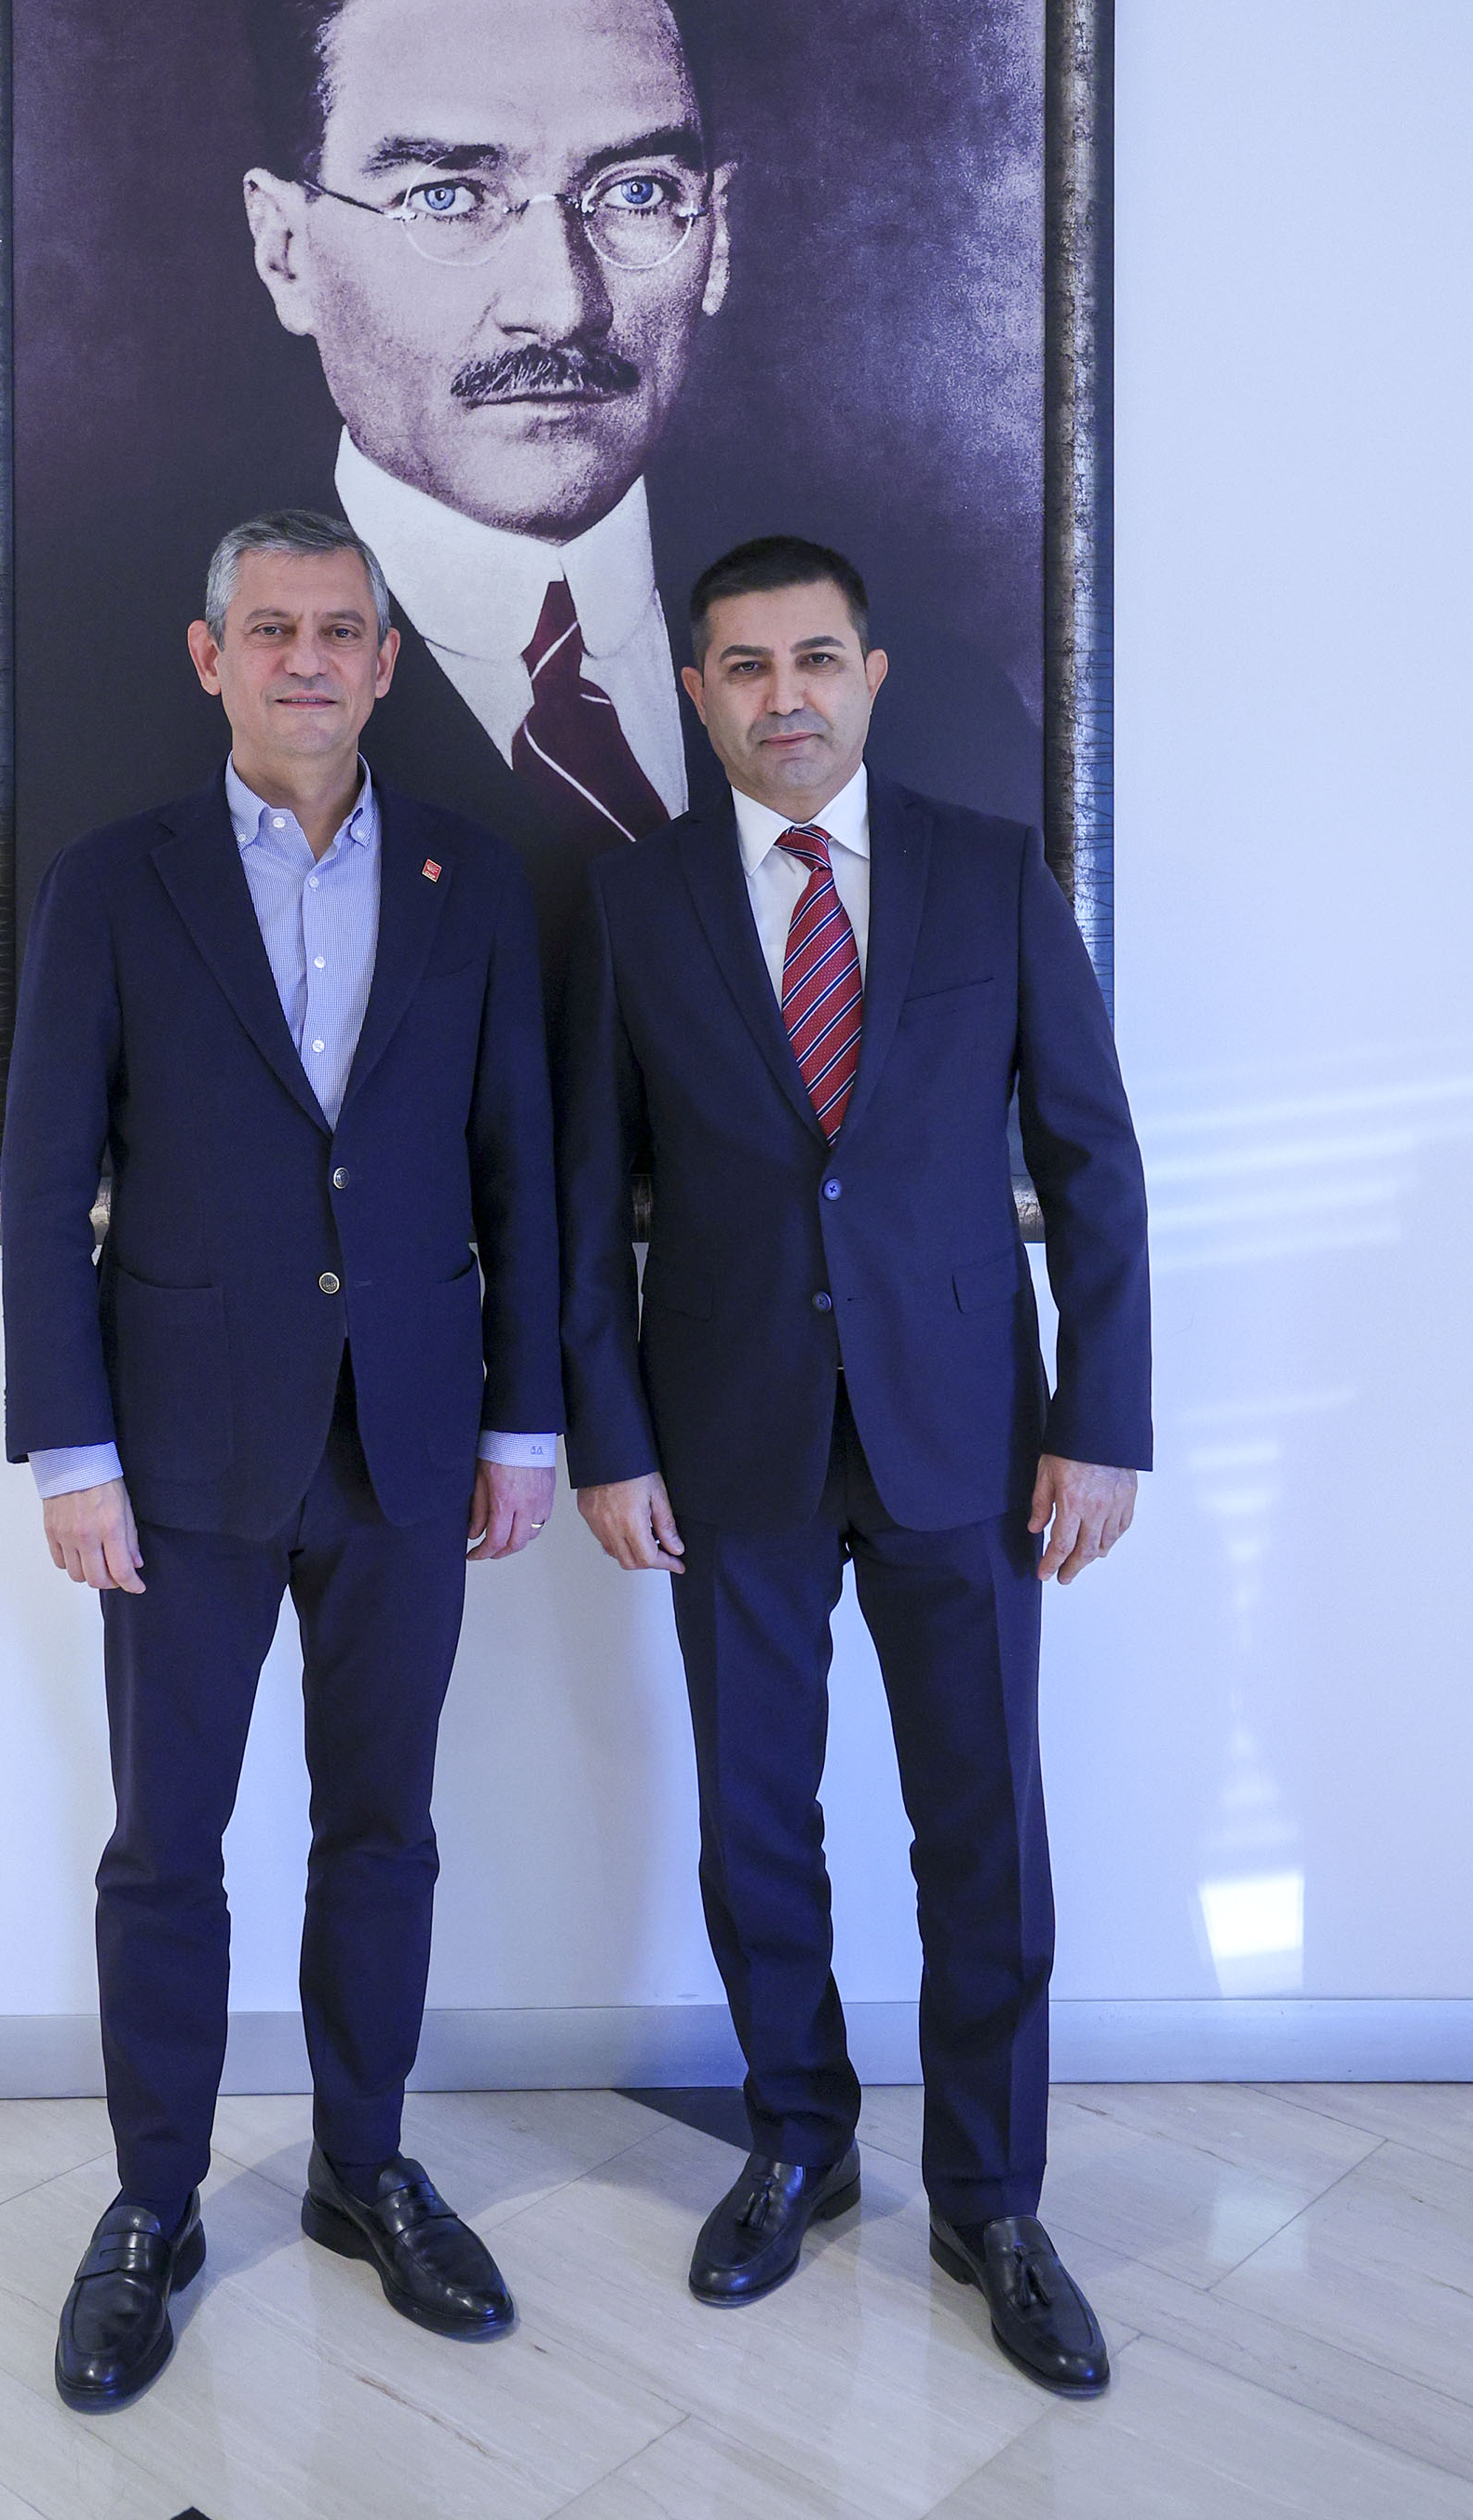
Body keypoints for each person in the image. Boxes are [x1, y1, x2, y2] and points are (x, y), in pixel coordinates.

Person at [556, 532, 1151, 2395]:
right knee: (756, 1817)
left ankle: (992, 2200)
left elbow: (1093, 1162)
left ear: (870, 676)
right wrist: (608, 1440)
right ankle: (797, 2142)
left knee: (982, 1827)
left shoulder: (987, 875)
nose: (784, 697)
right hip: (723, 1435)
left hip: (967, 1435)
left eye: (815, 659)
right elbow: (581, 1208)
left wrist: (1102, 1421)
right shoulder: (632, 903)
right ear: (696, 692)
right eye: (743, 668)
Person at [2, 509, 562, 2409]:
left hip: (410, 1444)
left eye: (339, 630)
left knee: (382, 1828)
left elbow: (522, 1171)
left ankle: (362, 2166)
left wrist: (524, 1421)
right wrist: (70, 1454)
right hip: (175, 1457)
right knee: (168, 1846)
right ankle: (154, 2205)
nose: (307, 658)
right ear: (211, 657)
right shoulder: (111, 883)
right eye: (271, 629)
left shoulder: (473, 880)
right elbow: (48, 1187)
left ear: (387, 664)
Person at [242, 0, 734, 983]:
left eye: (637, 192)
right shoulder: (94, 715)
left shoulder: (932, 698)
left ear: (717, 237)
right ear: (286, 250)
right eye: (446, 197)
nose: (559, 304)